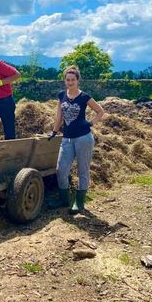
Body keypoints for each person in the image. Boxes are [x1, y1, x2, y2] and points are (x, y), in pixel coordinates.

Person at [48, 65, 105, 214]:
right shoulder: (62, 95)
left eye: (73, 80)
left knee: (82, 170)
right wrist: (54, 131)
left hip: (83, 138)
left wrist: (91, 123)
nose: (70, 82)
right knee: (61, 170)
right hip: (67, 138)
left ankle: (79, 203)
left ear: (78, 80)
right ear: (64, 81)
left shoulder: (84, 97)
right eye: (68, 80)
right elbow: (59, 116)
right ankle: (64, 199)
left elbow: (100, 111)